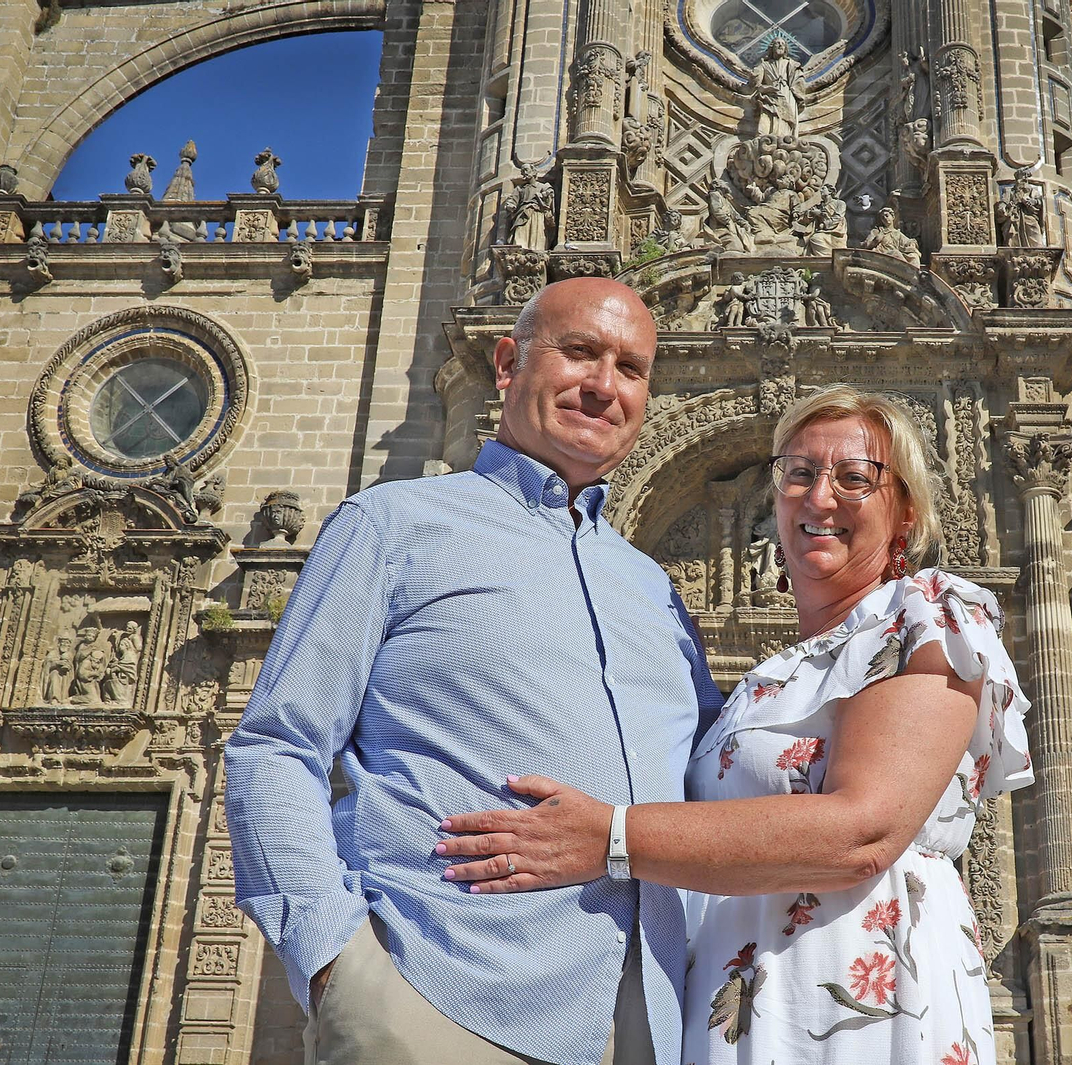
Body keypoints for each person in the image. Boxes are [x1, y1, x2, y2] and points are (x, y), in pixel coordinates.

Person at [439, 385, 1034, 1064]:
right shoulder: (763, 682)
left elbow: (865, 830)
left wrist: (608, 834)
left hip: (864, 999)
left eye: (854, 478)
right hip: (738, 1003)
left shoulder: (926, 614)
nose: (819, 496)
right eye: (800, 474)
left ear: (905, 513)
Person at [224, 277, 723, 1065]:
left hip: (646, 1021)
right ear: (506, 362)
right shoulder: (391, 525)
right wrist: (335, 967)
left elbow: (721, 774)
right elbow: (276, 747)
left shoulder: (652, 588)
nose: (603, 385)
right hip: (438, 1005)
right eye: (581, 352)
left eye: (630, 367)